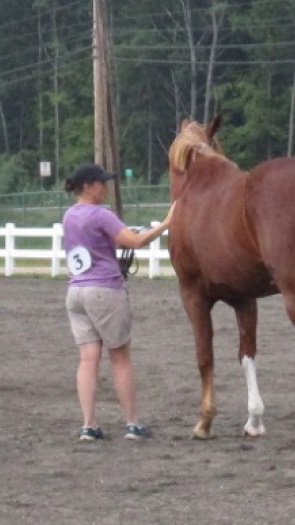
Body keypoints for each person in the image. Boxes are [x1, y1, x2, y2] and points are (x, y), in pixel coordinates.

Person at [62, 164, 176, 441]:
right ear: (88, 186)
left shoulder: (69, 215)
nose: (105, 187)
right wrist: (165, 224)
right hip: (104, 290)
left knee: (87, 360)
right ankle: (132, 423)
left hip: (76, 291)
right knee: (120, 358)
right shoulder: (101, 214)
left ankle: (89, 425)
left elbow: (97, 243)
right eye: (101, 183)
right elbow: (135, 242)